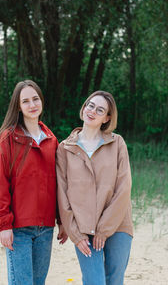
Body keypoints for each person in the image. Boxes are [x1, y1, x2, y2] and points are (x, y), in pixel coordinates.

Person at [0, 80, 67, 285]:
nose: (32, 104)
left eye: (35, 99)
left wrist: (62, 220)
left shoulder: (51, 140)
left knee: (38, 282)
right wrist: (4, 225)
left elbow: (58, 185)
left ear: (41, 101)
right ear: (18, 106)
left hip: (45, 227)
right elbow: (0, 185)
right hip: (18, 227)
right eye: (25, 101)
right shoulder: (6, 139)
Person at [56, 90, 133, 285]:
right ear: (83, 108)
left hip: (118, 224)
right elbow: (62, 194)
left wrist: (104, 229)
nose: (92, 111)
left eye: (100, 110)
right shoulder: (65, 148)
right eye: (90, 105)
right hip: (84, 230)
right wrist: (75, 233)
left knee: (114, 281)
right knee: (94, 282)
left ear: (107, 118)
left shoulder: (117, 143)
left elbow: (123, 188)